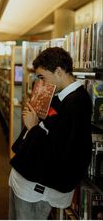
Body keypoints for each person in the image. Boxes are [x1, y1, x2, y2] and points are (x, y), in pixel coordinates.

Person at [8, 47, 92, 220]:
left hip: (37, 190)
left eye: (42, 77)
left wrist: (33, 127)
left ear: (59, 71)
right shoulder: (61, 96)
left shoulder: (76, 103)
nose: (41, 83)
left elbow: (62, 152)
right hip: (27, 183)